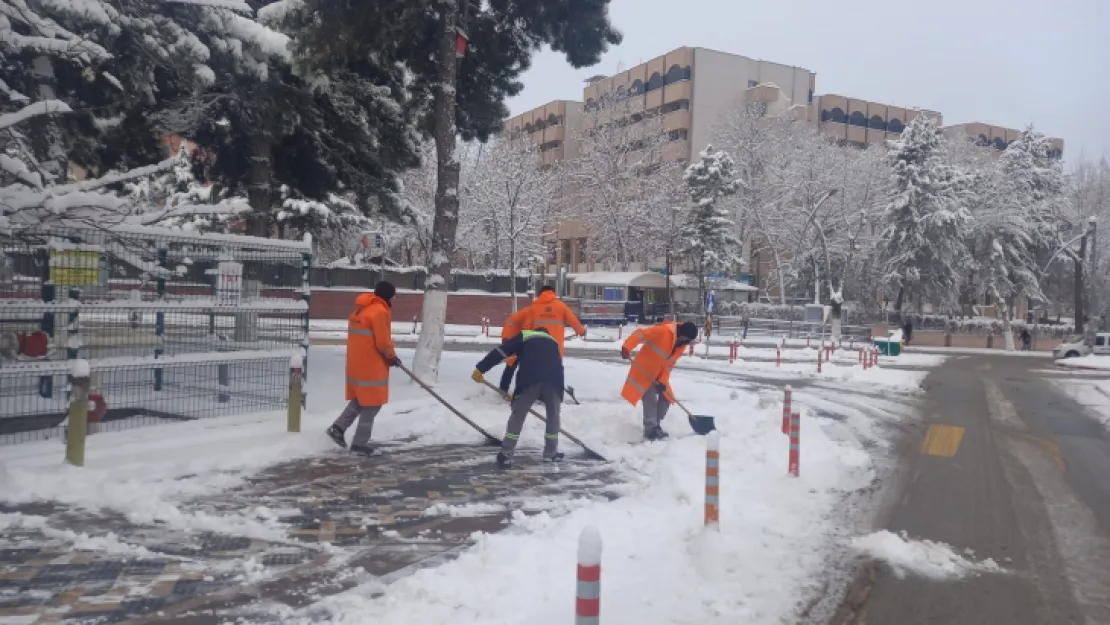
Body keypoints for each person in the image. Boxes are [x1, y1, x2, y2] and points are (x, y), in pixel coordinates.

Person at [472, 327, 565, 468]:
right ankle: (551, 454)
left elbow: (502, 352)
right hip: (555, 381)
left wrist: (481, 368)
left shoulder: (526, 335)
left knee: (518, 416)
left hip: (530, 380)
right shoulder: (553, 342)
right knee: (553, 417)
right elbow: (558, 366)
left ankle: (506, 454)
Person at [326, 281, 401, 456]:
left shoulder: (361, 309)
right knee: (372, 404)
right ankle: (359, 444)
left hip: (357, 363)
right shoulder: (380, 312)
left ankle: (338, 427)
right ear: (387, 295)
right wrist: (391, 357)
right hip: (372, 365)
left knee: (362, 397)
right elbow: (382, 341)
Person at [620, 321, 699, 441]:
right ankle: (650, 429)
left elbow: (669, 366)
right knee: (650, 397)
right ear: (682, 334)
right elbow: (640, 334)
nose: (687, 343)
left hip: (658, 375)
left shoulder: (680, 346)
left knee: (667, 398)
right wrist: (627, 347)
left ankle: (656, 425)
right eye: (687, 339)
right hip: (644, 371)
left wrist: (663, 381)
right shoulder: (663, 331)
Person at [529, 286, 586, 356]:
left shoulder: (533, 307)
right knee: (555, 365)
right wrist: (581, 331)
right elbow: (573, 320)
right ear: (553, 293)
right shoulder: (561, 306)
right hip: (556, 346)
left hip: (538, 345)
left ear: (540, 294)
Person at [498, 307, 533, 392]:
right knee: (516, 366)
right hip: (515, 342)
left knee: (511, 367)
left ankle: (504, 387)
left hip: (513, 341)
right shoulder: (530, 314)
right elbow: (527, 330)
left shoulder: (522, 313)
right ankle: (508, 388)